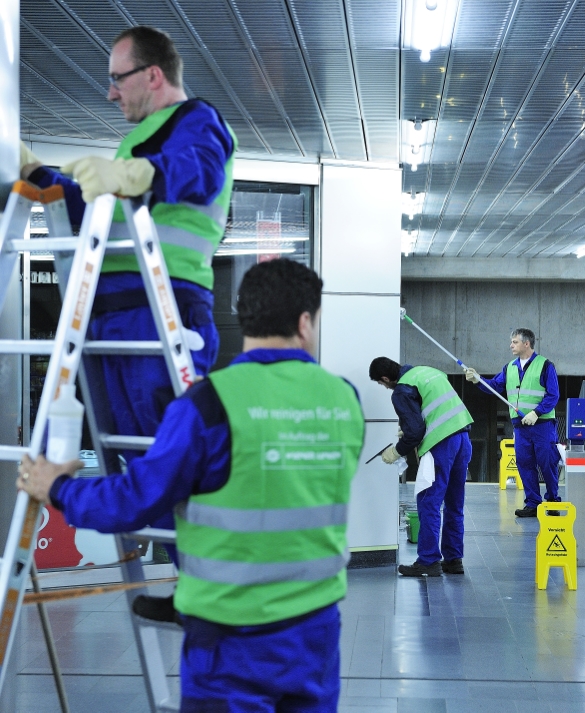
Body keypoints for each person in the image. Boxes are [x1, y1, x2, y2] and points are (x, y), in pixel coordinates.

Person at [18, 258, 365, 713]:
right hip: (316, 633)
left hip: (228, 639)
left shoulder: (209, 404)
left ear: (245, 318)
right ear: (304, 322)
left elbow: (133, 500)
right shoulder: (345, 398)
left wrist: (59, 488)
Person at [20, 25, 236, 618]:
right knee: (134, 455)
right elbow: (99, 203)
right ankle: (192, 585)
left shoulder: (194, 120)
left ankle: (209, 592)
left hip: (166, 311)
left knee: (175, 451)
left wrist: (138, 175)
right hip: (113, 317)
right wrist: (40, 175)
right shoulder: (136, 144)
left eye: (117, 79)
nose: (110, 93)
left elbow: (200, 170)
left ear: (152, 75)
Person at [369, 357, 473, 577]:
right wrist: (408, 429)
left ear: (386, 378)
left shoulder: (401, 390)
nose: (384, 387)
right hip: (463, 438)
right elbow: (429, 409)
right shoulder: (426, 369)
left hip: (442, 444)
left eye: (381, 383)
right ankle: (454, 560)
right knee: (454, 503)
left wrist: (396, 451)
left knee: (429, 501)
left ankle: (428, 561)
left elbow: (416, 432)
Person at [465, 328, 560, 518]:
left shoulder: (545, 366)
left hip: (542, 425)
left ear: (527, 344)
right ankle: (533, 503)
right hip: (521, 427)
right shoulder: (510, 368)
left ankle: (552, 502)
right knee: (525, 464)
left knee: (548, 463)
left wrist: (536, 412)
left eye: (515, 342)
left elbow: (553, 395)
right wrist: (478, 380)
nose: (511, 345)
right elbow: (495, 388)